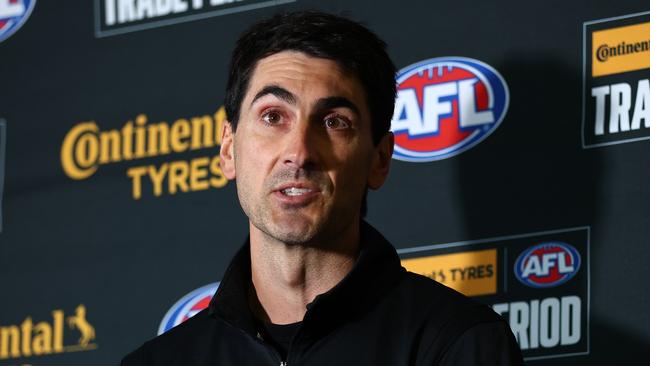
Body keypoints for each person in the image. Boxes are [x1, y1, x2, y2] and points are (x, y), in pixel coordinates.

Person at [121, 10, 523, 366]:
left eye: (334, 122)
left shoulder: (456, 343)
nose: (299, 152)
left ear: (379, 160)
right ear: (229, 149)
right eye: (273, 116)